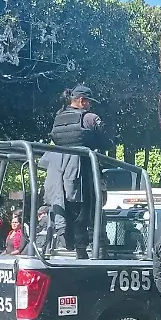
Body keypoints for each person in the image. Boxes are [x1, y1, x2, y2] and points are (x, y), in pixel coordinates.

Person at [43, 84, 113, 258]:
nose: (90, 105)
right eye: (89, 102)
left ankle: (78, 249)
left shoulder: (58, 117)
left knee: (72, 214)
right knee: (92, 212)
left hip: (59, 174)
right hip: (84, 174)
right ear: (82, 101)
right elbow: (107, 142)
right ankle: (97, 250)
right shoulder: (90, 118)